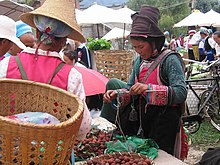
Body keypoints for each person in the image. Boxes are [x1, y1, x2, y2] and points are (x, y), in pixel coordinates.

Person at [100, 5, 187, 159]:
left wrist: (148, 88)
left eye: (141, 46)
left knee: (161, 158)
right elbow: (130, 88)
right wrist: (117, 94)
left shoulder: (170, 59)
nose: (138, 51)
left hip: (163, 124)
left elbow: (180, 92)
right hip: (144, 121)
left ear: (154, 42)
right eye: (135, 47)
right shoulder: (140, 61)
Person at [0, 0, 91, 141]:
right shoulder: (71, 76)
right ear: (63, 41)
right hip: (51, 152)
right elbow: (82, 127)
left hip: (8, 150)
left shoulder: (6, 65)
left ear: (37, 32)